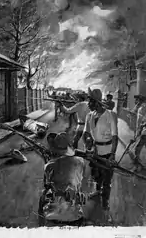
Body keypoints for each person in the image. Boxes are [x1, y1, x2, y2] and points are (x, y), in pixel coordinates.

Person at [82, 87, 118, 222]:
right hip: (94, 153)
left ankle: (105, 205)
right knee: (96, 174)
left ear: (97, 102)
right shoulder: (89, 115)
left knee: (107, 180)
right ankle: (97, 190)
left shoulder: (110, 115)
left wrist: (113, 155)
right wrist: (88, 141)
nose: (88, 104)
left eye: (90, 101)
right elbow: (86, 133)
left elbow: (115, 137)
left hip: (107, 151)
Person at [38, 132, 89, 226]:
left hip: (52, 214)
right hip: (76, 215)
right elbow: (80, 181)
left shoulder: (49, 166)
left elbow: (47, 184)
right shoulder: (80, 162)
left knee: (44, 195)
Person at [131, 94, 146, 172]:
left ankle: (137, 167)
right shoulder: (139, 108)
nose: (135, 102)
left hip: (143, 133)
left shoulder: (143, 108)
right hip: (141, 132)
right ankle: (140, 165)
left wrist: (140, 129)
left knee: (136, 150)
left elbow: (142, 122)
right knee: (136, 150)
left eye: (136, 100)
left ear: (140, 100)